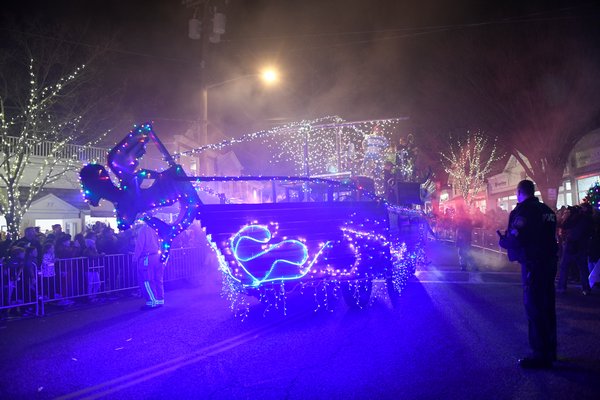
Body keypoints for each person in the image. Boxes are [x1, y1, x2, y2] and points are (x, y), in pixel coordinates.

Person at [499, 180, 558, 369]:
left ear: (519, 192)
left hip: (533, 264)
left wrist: (504, 242)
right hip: (549, 263)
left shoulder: (524, 211)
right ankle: (550, 350)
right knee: (547, 306)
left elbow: (517, 237)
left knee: (534, 307)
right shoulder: (547, 210)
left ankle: (540, 355)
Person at [133, 222, 164, 309]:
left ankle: (152, 302)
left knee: (147, 281)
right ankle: (160, 300)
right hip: (158, 256)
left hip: (147, 257)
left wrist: (135, 258)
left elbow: (140, 245)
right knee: (158, 279)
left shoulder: (143, 229)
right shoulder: (156, 228)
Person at [455, 206, 478, 271]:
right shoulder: (466, 219)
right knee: (464, 252)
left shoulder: (463, 220)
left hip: (463, 239)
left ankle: (469, 266)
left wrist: (461, 237)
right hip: (464, 239)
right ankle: (468, 266)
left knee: (464, 253)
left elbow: (461, 229)